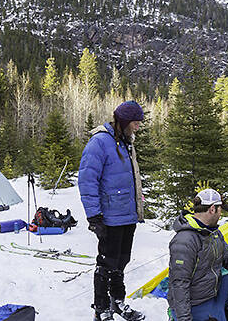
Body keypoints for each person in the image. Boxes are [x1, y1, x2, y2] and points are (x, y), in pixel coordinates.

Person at [78, 100, 146, 321]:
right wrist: (94, 216)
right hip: (109, 218)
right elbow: (87, 180)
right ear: (125, 121)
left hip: (127, 215)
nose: (138, 127)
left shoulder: (126, 142)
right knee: (106, 263)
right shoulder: (99, 142)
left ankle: (117, 302)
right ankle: (101, 308)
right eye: (135, 123)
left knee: (121, 262)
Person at [168, 189, 228, 321]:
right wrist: (184, 319)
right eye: (220, 210)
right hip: (196, 303)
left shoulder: (213, 233)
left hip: (215, 291)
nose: (221, 214)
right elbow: (179, 284)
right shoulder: (185, 240)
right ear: (212, 209)